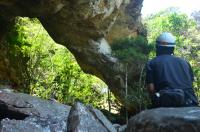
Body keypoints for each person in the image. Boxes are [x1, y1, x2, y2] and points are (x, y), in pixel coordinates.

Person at [146, 32, 198, 108]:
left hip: (166, 104)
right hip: (189, 102)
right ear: (173, 48)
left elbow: (151, 89)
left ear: (157, 47)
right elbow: (190, 83)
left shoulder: (151, 63)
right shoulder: (185, 62)